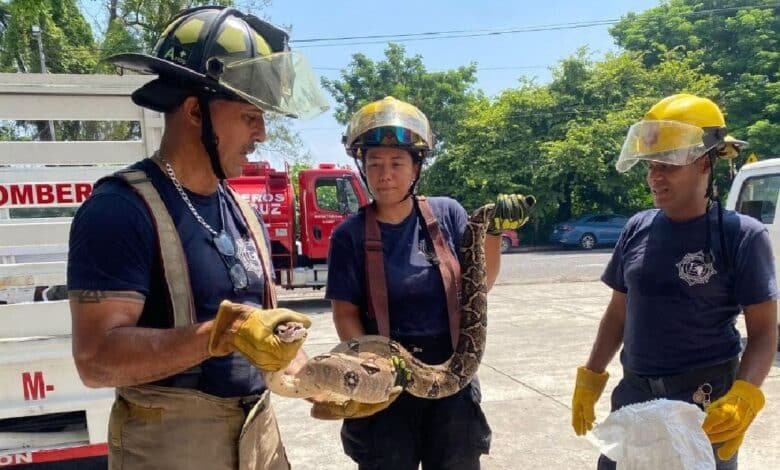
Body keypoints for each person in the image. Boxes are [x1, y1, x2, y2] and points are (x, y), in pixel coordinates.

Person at [67, 6, 328, 469]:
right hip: (170, 449)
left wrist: (320, 378)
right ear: (194, 111)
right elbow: (95, 359)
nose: (262, 134)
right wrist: (219, 336)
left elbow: (271, 335)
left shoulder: (245, 214)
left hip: (258, 440)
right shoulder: (118, 211)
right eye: (250, 116)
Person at [311, 96, 528, 470]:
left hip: (453, 380)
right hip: (385, 383)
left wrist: (494, 232)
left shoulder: (447, 214)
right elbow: (345, 313)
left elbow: (482, 284)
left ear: (416, 168)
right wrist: (370, 364)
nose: (384, 175)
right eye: (374, 164)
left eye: (397, 163)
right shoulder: (349, 235)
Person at [571, 93, 778, 469]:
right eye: (651, 165)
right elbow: (618, 313)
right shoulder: (638, 227)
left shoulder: (741, 236)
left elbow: (764, 333)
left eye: (667, 165)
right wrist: (592, 375)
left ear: (705, 163)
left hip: (703, 405)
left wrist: (745, 395)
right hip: (634, 398)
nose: (654, 177)